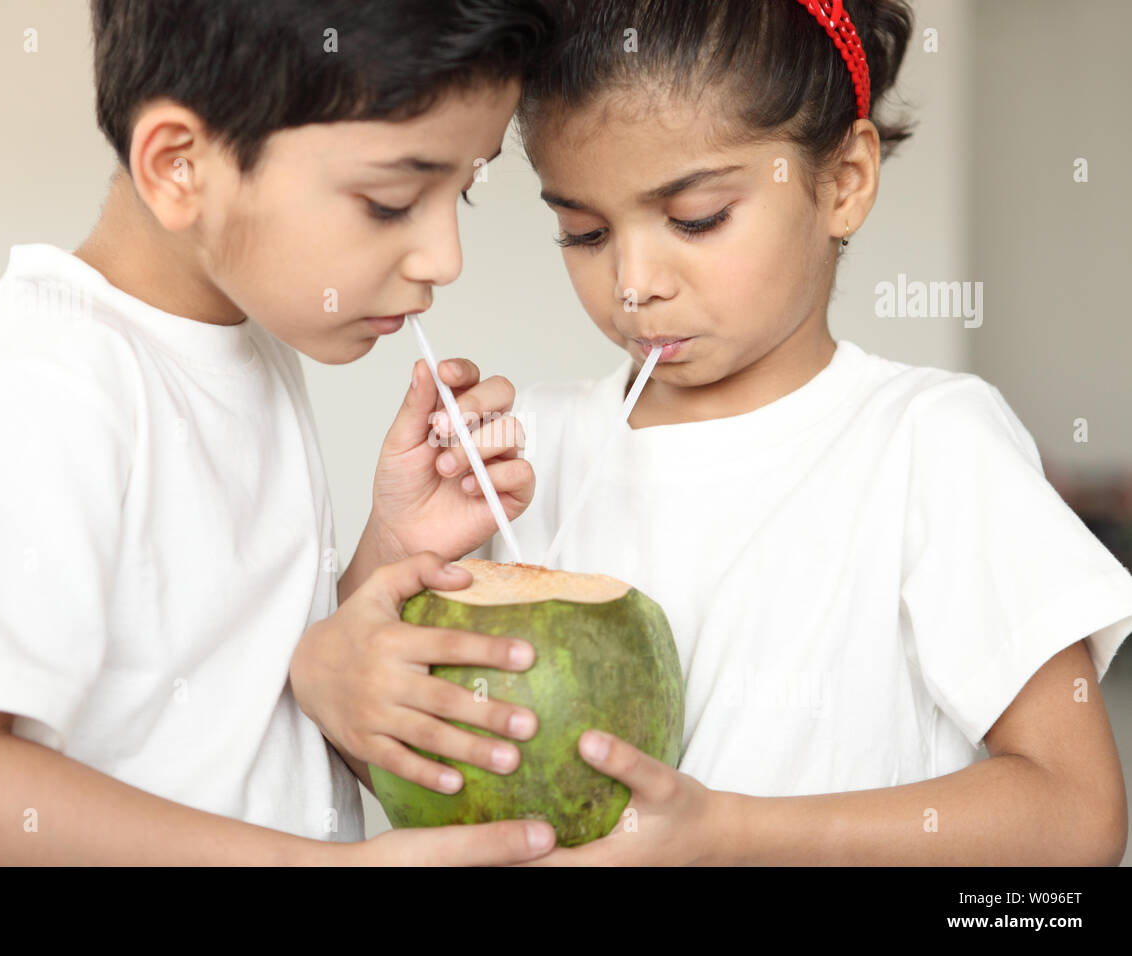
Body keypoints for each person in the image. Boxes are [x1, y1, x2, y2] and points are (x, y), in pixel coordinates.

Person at [0, 0, 561, 865]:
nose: (444, 257)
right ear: (179, 166)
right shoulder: (42, 380)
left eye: (465, 193)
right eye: (391, 200)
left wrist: (391, 545)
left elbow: (244, 725)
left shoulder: (243, 346)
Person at [468, 0, 1132, 864]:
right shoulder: (527, 451)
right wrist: (395, 537)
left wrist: (730, 836)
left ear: (844, 182)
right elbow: (388, 749)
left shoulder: (930, 444)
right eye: (584, 232)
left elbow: (1076, 815)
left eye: (696, 217)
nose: (632, 284)